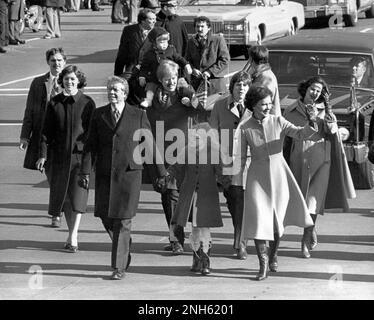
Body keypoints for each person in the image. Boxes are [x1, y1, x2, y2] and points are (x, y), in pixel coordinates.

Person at [78, 76, 168, 280]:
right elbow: (90, 146)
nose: (112, 92)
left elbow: (149, 146)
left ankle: (118, 267)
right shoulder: (98, 115)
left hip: (129, 175)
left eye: (116, 90)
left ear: (125, 94)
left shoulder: (138, 115)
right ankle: (125, 246)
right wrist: (84, 171)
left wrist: (161, 173)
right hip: (104, 175)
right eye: (110, 89)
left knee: (123, 221)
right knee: (105, 216)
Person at [234, 84, 322, 280]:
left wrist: (312, 121)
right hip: (257, 177)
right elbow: (240, 157)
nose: (267, 107)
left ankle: (273, 256)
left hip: (279, 174)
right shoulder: (245, 127)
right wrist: (237, 181)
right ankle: (263, 264)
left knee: (276, 222)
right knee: (258, 221)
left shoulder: (278, 120)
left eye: (269, 104)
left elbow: (301, 134)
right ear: (253, 105)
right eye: (263, 104)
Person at [283, 76, 356, 259]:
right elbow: (284, 137)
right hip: (297, 159)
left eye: (319, 90)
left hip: (321, 159)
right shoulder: (291, 110)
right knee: (300, 201)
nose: (315, 93)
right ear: (305, 89)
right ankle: (311, 228)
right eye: (312, 89)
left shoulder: (325, 110)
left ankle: (305, 239)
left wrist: (329, 115)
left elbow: (332, 132)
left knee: (313, 201)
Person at [146, 60, 207, 254]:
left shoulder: (184, 93)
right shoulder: (155, 96)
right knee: (169, 197)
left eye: (173, 78)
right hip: (163, 153)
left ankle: (187, 238)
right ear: (160, 80)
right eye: (166, 79)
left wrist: (192, 101)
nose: (170, 82)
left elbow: (201, 111)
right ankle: (176, 240)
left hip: (184, 152)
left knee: (185, 197)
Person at [37, 65, 96, 252]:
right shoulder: (54, 103)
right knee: (66, 200)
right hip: (59, 158)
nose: (69, 82)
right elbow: (46, 133)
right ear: (61, 81)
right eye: (66, 79)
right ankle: (71, 233)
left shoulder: (87, 103)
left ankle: (73, 236)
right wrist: (43, 155)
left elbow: (92, 133)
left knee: (77, 198)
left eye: (72, 79)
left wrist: (91, 156)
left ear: (79, 80)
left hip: (80, 158)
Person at [167, 123, 231, 275]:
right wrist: (167, 175)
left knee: (205, 228)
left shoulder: (214, 152)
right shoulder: (186, 151)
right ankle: (196, 259)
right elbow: (176, 167)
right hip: (189, 195)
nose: (194, 139)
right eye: (193, 136)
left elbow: (222, 171)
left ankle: (205, 261)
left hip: (207, 195)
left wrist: (229, 183)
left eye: (198, 136)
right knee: (194, 228)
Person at [19, 47, 67, 228]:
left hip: (63, 137)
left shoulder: (71, 81)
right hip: (43, 136)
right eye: (53, 60)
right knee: (52, 176)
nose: (57, 64)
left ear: (65, 62)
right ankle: (58, 209)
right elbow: (30, 110)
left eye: (60, 60)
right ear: (48, 62)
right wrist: (25, 136)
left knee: (60, 176)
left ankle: (57, 212)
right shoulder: (38, 83)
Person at [209, 70, 252, 260]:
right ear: (231, 87)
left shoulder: (255, 107)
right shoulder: (220, 106)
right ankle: (241, 237)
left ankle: (240, 244)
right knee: (234, 203)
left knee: (243, 203)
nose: (241, 88)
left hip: (249, 163)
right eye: (238, 85)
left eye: (245, 85)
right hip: (227, 164)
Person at [138, 26, 192, 108]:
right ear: (154, 43)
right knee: (150, 87)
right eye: (161, 42)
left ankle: (186, 98)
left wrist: (186, 65)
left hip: (172, 75)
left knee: (181, 84)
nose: (164, 44)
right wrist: (142, 76)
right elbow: (144, 67)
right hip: (156, 78)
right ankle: (148, 100)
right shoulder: (150, 54)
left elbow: (179, 58)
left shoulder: (171, 50)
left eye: (166, 41)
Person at [186, 16, 230, 96]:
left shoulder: (218, 40)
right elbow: (187, 60)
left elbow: (225, 60)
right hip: (197, 84)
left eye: (202, 26)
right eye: (197, 26)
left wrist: (210, 72)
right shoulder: (191, 42)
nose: (199, 29)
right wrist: (193, 70)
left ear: (209, 28)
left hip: (215, 84)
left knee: (215, 108)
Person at [114, 8, 156, 77]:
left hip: (151, 70)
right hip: (132, 70)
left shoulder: (158, 31)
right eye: (151, 19)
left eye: (155, 19)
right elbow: (122, 53)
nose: (154, 21)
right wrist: (118, 75)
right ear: (142, 21)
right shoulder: (129, 31)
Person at [245, 45, 281, 116]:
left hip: (267, 121)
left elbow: (264, 103)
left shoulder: (266, 77)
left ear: (251, 59)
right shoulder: (259, 73)